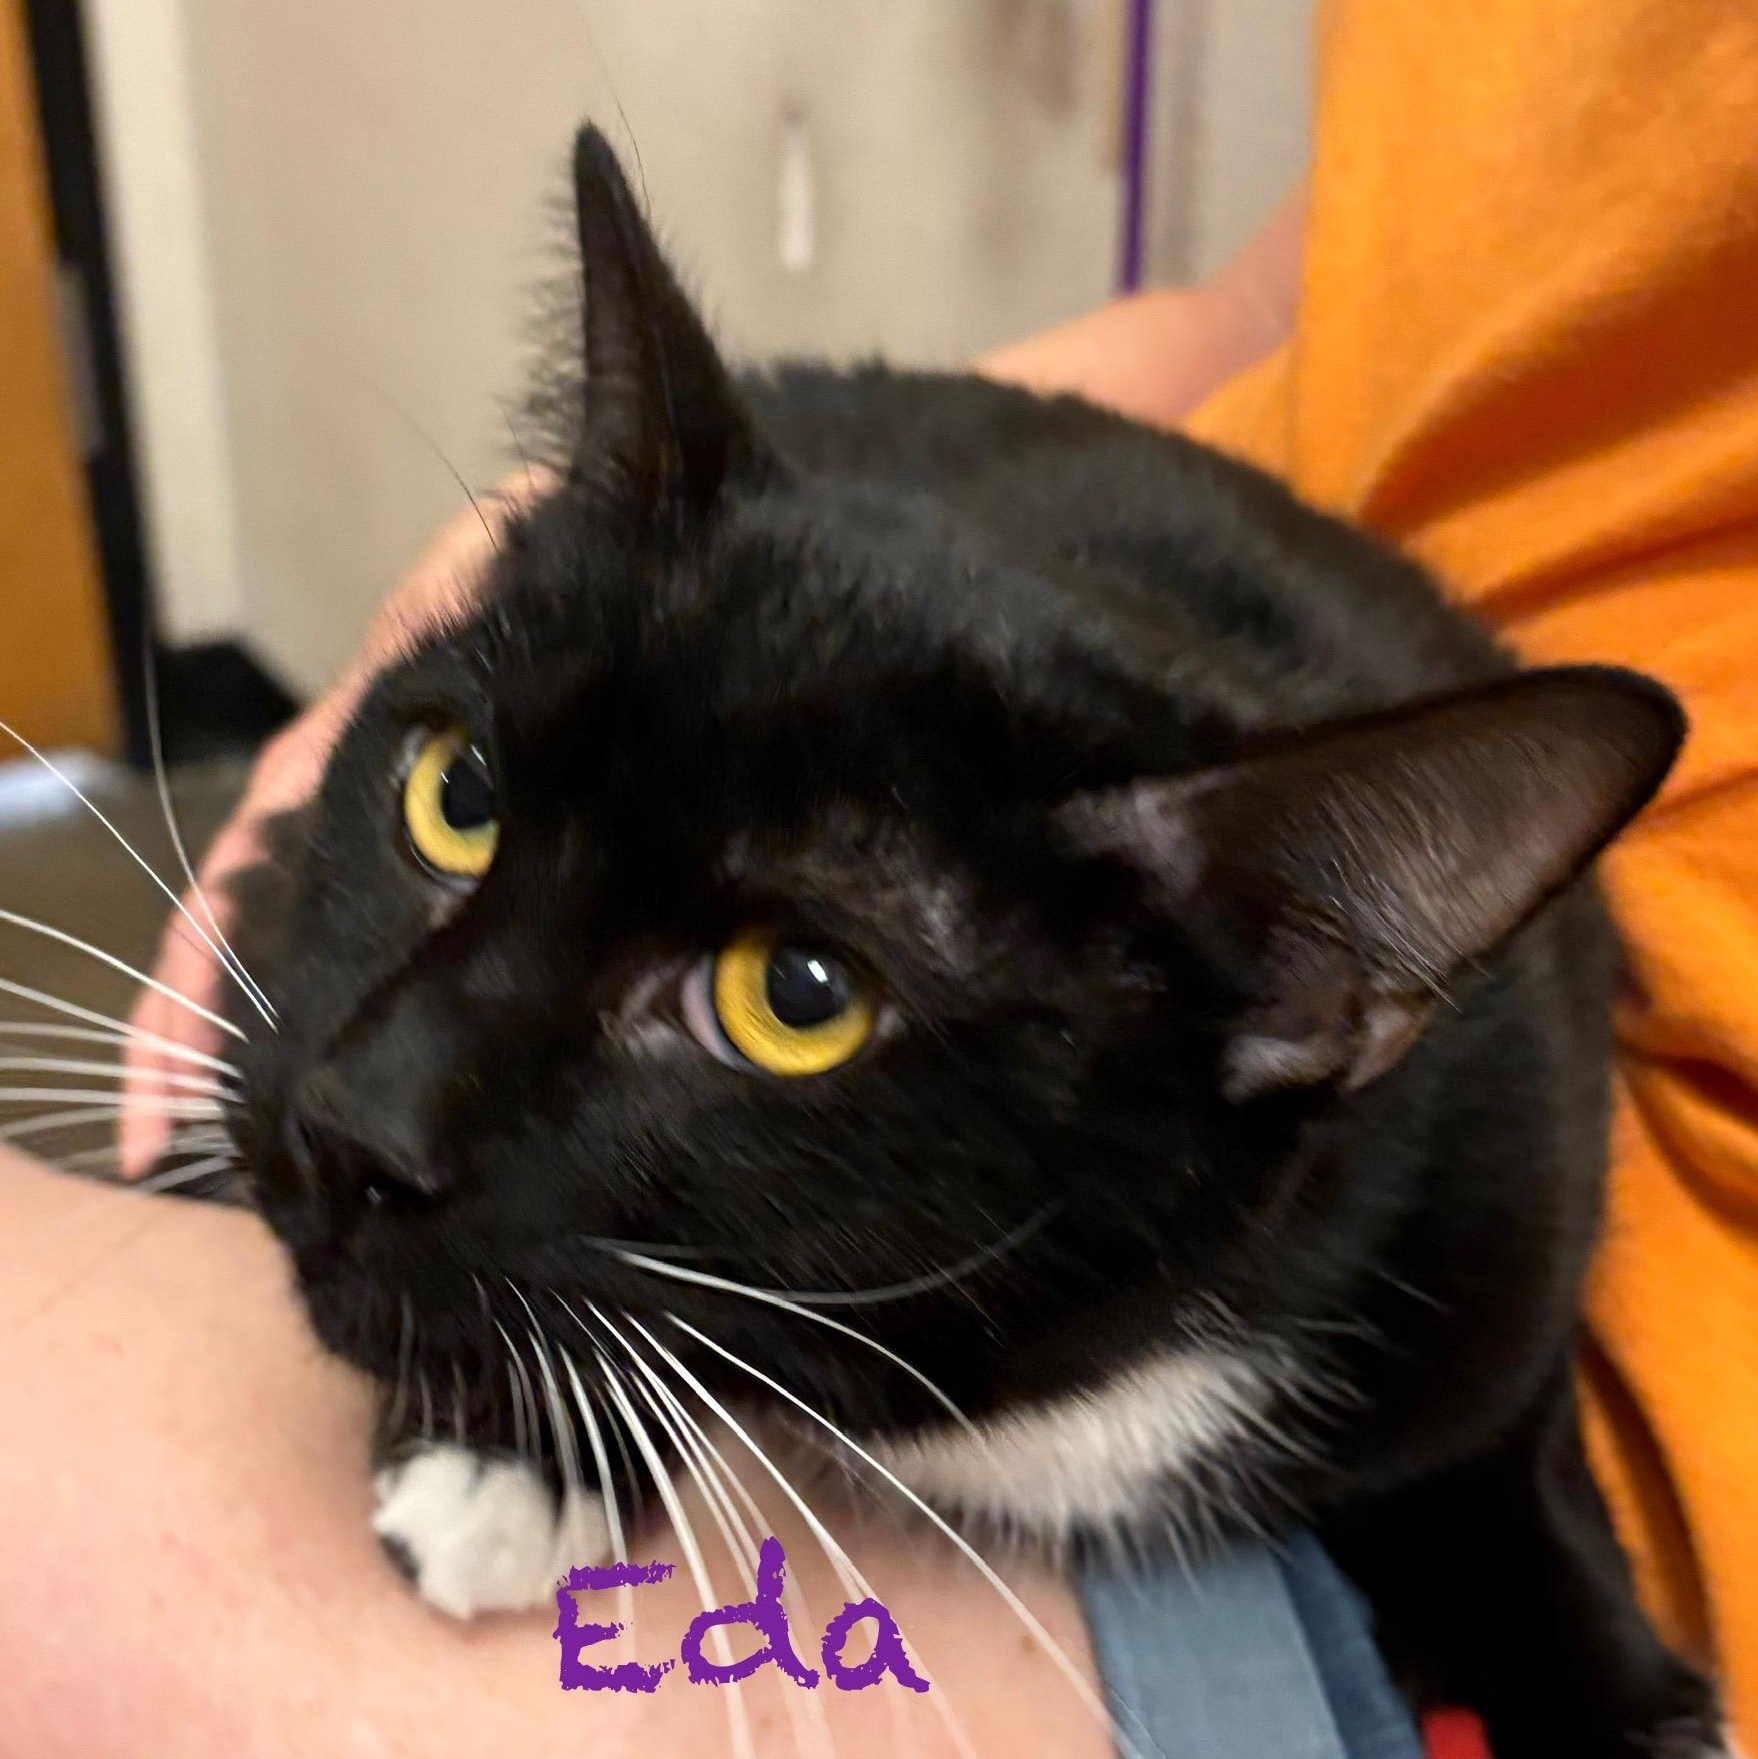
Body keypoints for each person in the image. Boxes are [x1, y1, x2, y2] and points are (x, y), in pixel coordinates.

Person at [6, 0, 1755, 1751]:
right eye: (457, 805)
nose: (372, 1102)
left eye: (791, 995)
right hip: (991, 591)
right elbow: (1264, 308)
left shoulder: (1442, 1224)